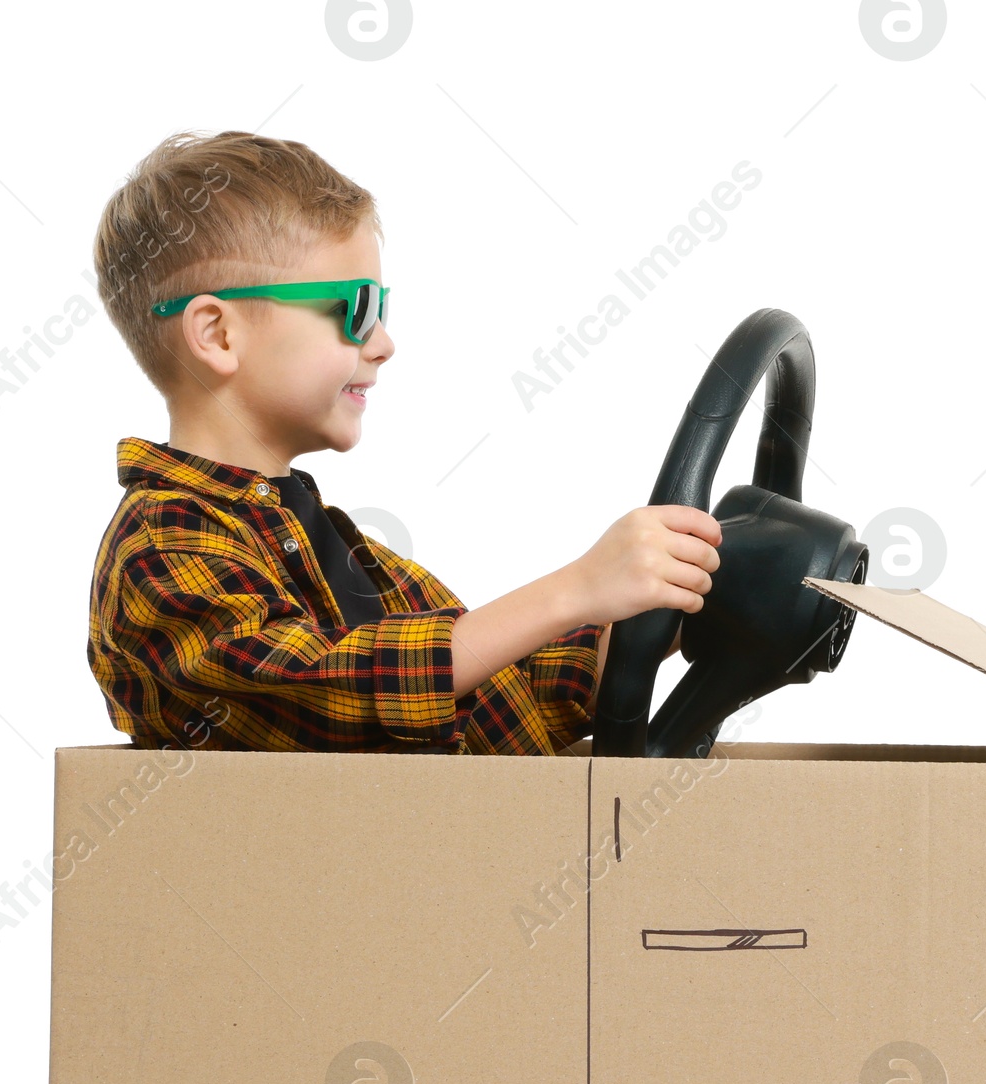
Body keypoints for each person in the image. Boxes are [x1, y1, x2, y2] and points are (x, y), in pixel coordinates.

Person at [88, 129, 721, 754]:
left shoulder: (329, 545)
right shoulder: (161, 548)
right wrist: (576, 588)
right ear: (218, 334)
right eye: (356, 309)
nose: (384, 343)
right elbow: (326, 689)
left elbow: (498, 692)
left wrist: (659, 609)